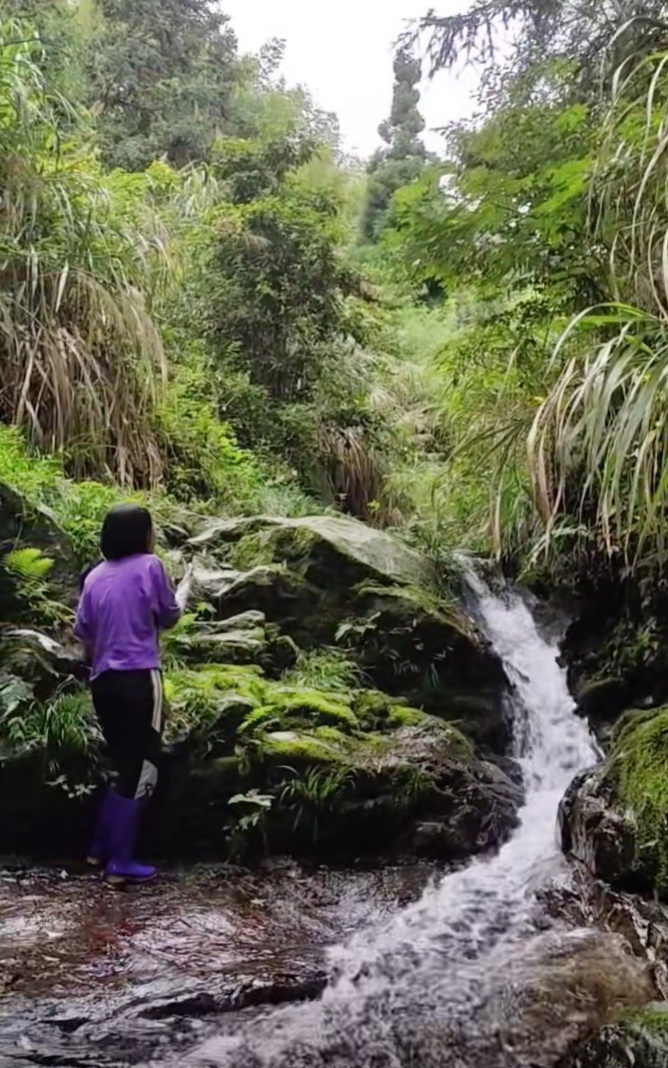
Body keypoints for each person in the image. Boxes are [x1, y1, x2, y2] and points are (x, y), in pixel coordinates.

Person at [74, 504, 194, 884]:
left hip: (103, 682)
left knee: (123, 762)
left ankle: (98, 850)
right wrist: (186, 588)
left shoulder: (94, 576)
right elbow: (170, 617)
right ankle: (120, 863)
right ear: (143, 535)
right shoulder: (150, 566)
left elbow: (84, 634)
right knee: (143, 766)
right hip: (140, 678)